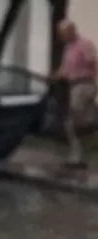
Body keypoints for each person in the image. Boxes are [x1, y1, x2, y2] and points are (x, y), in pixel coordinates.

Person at [52, 19, 97, 168]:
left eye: (63, 33)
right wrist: (54, 76)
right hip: (73, 86)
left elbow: (94, 63)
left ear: (72, 31)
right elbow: (65, 69)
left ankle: (79, 155)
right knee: (75, 123)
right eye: (60, 34)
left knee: (74, 118)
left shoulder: (85, 45)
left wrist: (94, 85)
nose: (61, 36)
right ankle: (78, 156)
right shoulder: (68, 48)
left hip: (84, 84)